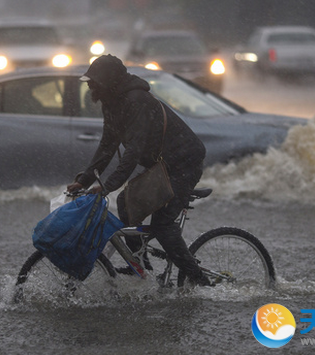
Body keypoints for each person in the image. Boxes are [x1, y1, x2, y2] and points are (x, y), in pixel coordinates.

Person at [66, 54, 211, 287]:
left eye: (95, 82)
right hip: (162, 164)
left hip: (185, 163)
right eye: (89, 82)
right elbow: (107, 146)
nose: (91, 87)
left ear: (111, 82)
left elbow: (133, 152)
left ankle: (200, 280)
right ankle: (140, 266)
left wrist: (105, 186)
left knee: (163, 225)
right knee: (125, 203)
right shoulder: (111, 102)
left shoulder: (136, 101)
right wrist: (84, 181)